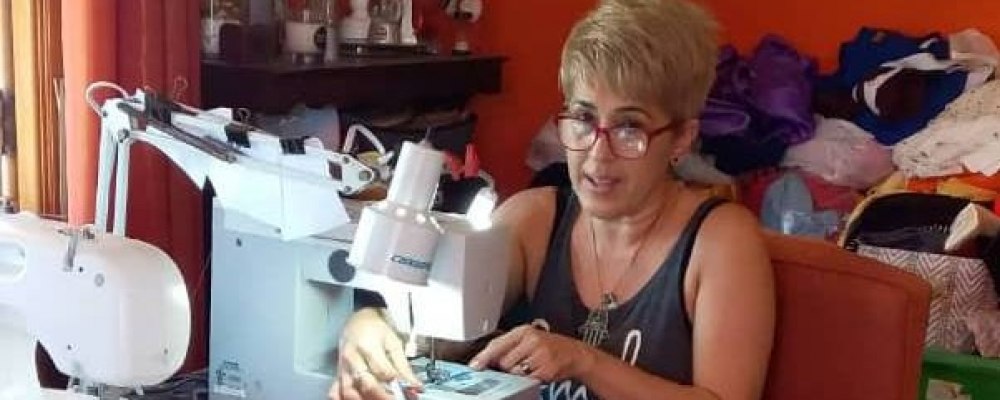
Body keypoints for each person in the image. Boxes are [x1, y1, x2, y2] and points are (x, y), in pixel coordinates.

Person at [329, 0, 775, 399]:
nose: (597, 155)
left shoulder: (720, 242)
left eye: (629, 128)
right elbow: (443, 327)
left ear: (681, 138)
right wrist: (376, 327)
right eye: (583, 118)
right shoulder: (535, 219)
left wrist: (585, 361)